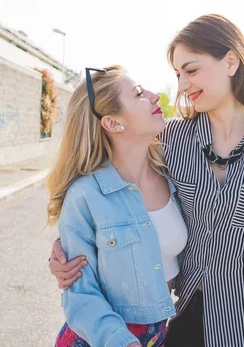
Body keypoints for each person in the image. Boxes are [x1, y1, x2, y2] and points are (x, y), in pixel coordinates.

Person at [51, 14, 244, 347]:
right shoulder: (170, 139)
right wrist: (66, 251)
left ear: (231, 61)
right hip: (188, 320)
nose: (182, 86)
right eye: (178, 74)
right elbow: (116, 190)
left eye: (191, 70)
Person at [46, 66, 188, 347]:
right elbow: (80, 294)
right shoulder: (85, 196)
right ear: (112, 123)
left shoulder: (177, 174)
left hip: (159, 335)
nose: (154, 96)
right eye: (138, 94)